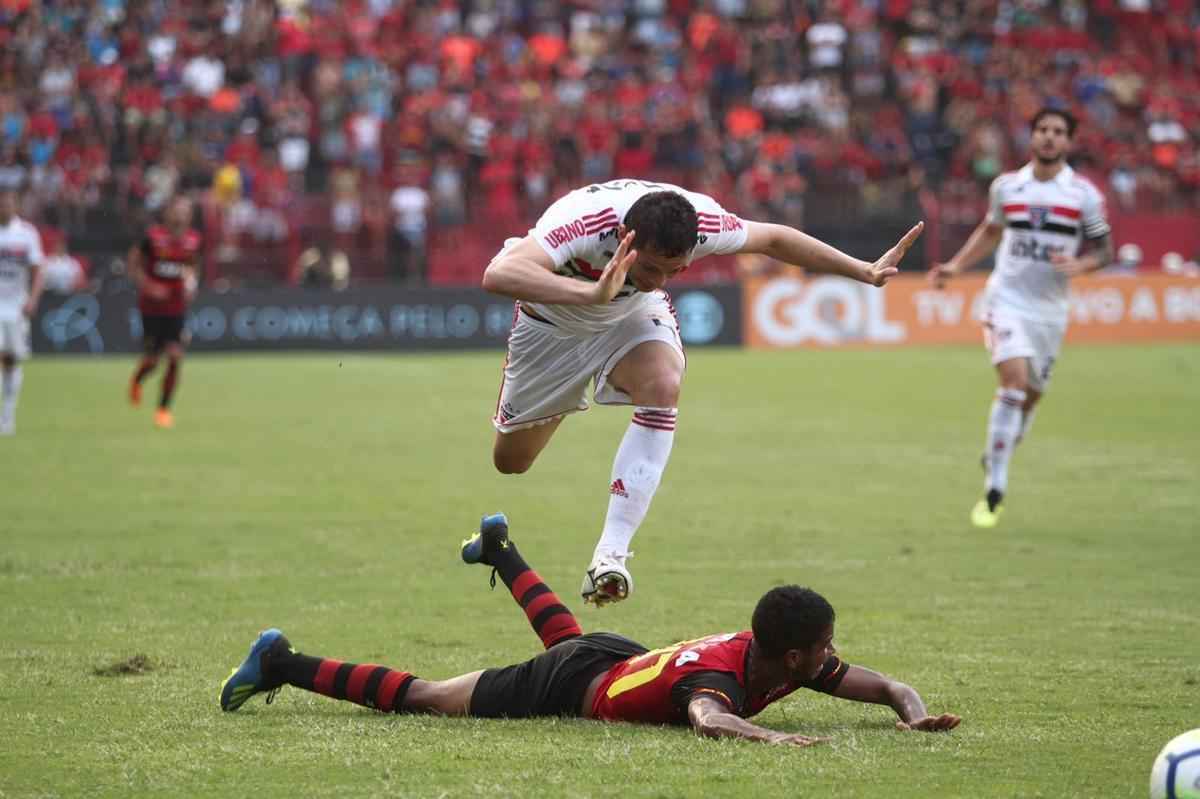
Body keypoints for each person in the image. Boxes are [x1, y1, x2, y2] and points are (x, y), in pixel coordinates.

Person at [481, 178, 923, 604]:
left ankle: (610, 556)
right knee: (511, 462)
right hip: (552, 327)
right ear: (622, 237)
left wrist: (861, 270)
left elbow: (772, 238)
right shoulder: (583, 220)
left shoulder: (704, 225)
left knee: (664, 383)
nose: (657, 279)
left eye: (674, 271)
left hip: (629, 317)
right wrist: (592, 294)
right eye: (649, 267)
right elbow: (499, 272)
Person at [220, 513, 961, 744]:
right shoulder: (724, 679)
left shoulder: (782, 657)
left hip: (617, 658)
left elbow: (889, 684)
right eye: (826, 646)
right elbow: (709, 720)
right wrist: (775, 736)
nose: (834, 656)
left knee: (572, 633)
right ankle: (283, 661)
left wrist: (914, 713)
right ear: (794, 654)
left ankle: (502, 551)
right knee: (428, 697)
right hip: (578, 681)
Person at [927, 109, 1113, 528]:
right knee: (1013, 384)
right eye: (1043, 130)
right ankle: (996, 485)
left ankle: (1000, 449)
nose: (1050, 137)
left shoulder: (1083, 195)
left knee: (1031, 395)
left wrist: (1081, 266)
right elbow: (990, 232)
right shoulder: (1007, 187)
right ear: (1031, 137)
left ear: (1069, 142)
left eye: (1058, 132)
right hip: (1005, 299)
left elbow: (1105, 251)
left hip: (1050, 311)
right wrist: (957, 267)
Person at [127, 195, 202, 429]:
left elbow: (192, 267)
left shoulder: (193, 240)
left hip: (176, 309)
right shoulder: (152, 238)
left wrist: (192, 283)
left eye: (185, 211)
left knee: (175, 356)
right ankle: (138, 379)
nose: (180, 215)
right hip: (151, 309)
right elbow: (133, 263)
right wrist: (148, 286)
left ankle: (163, 410)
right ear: (167, 213)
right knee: (152, 360)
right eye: (177, 210)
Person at [0, 185, 45, 436]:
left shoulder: (26, 234)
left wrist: (33, 299)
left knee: (11, 361)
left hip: (16, 307)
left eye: (8, 202)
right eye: (1, 202)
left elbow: (38, 269)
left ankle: (7, 416)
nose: (4, 207)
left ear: (16, 206)